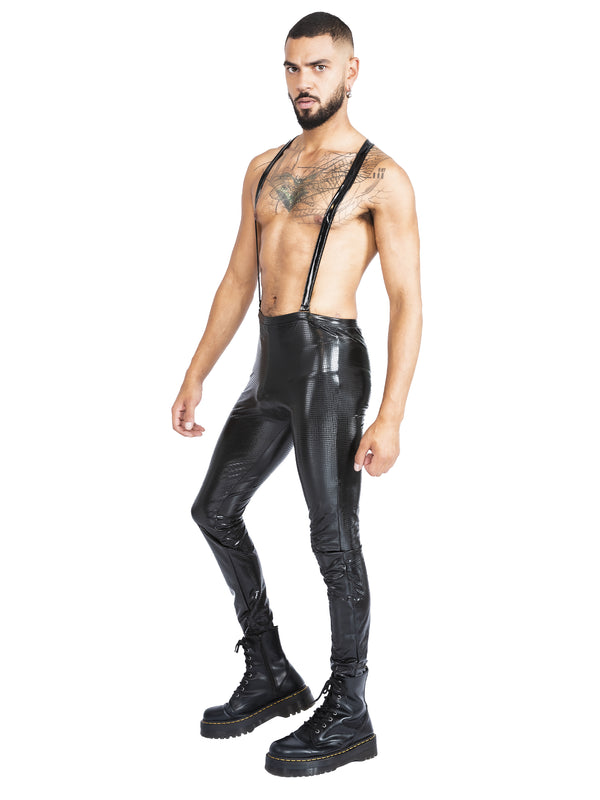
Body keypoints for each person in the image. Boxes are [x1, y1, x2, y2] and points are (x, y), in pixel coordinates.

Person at [171, 11, 422, 777]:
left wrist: (391, 415)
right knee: (213, 510)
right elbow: (237, 278)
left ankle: (350, 708)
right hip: (269, 365)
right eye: (291, 67)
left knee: (333, 537)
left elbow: (408, 301)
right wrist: (196, 371)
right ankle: (271, 669)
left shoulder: (381, 177)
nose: (302, 82)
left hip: (330, 366)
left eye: (317, 66)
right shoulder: (263, 166)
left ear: (351, 71)